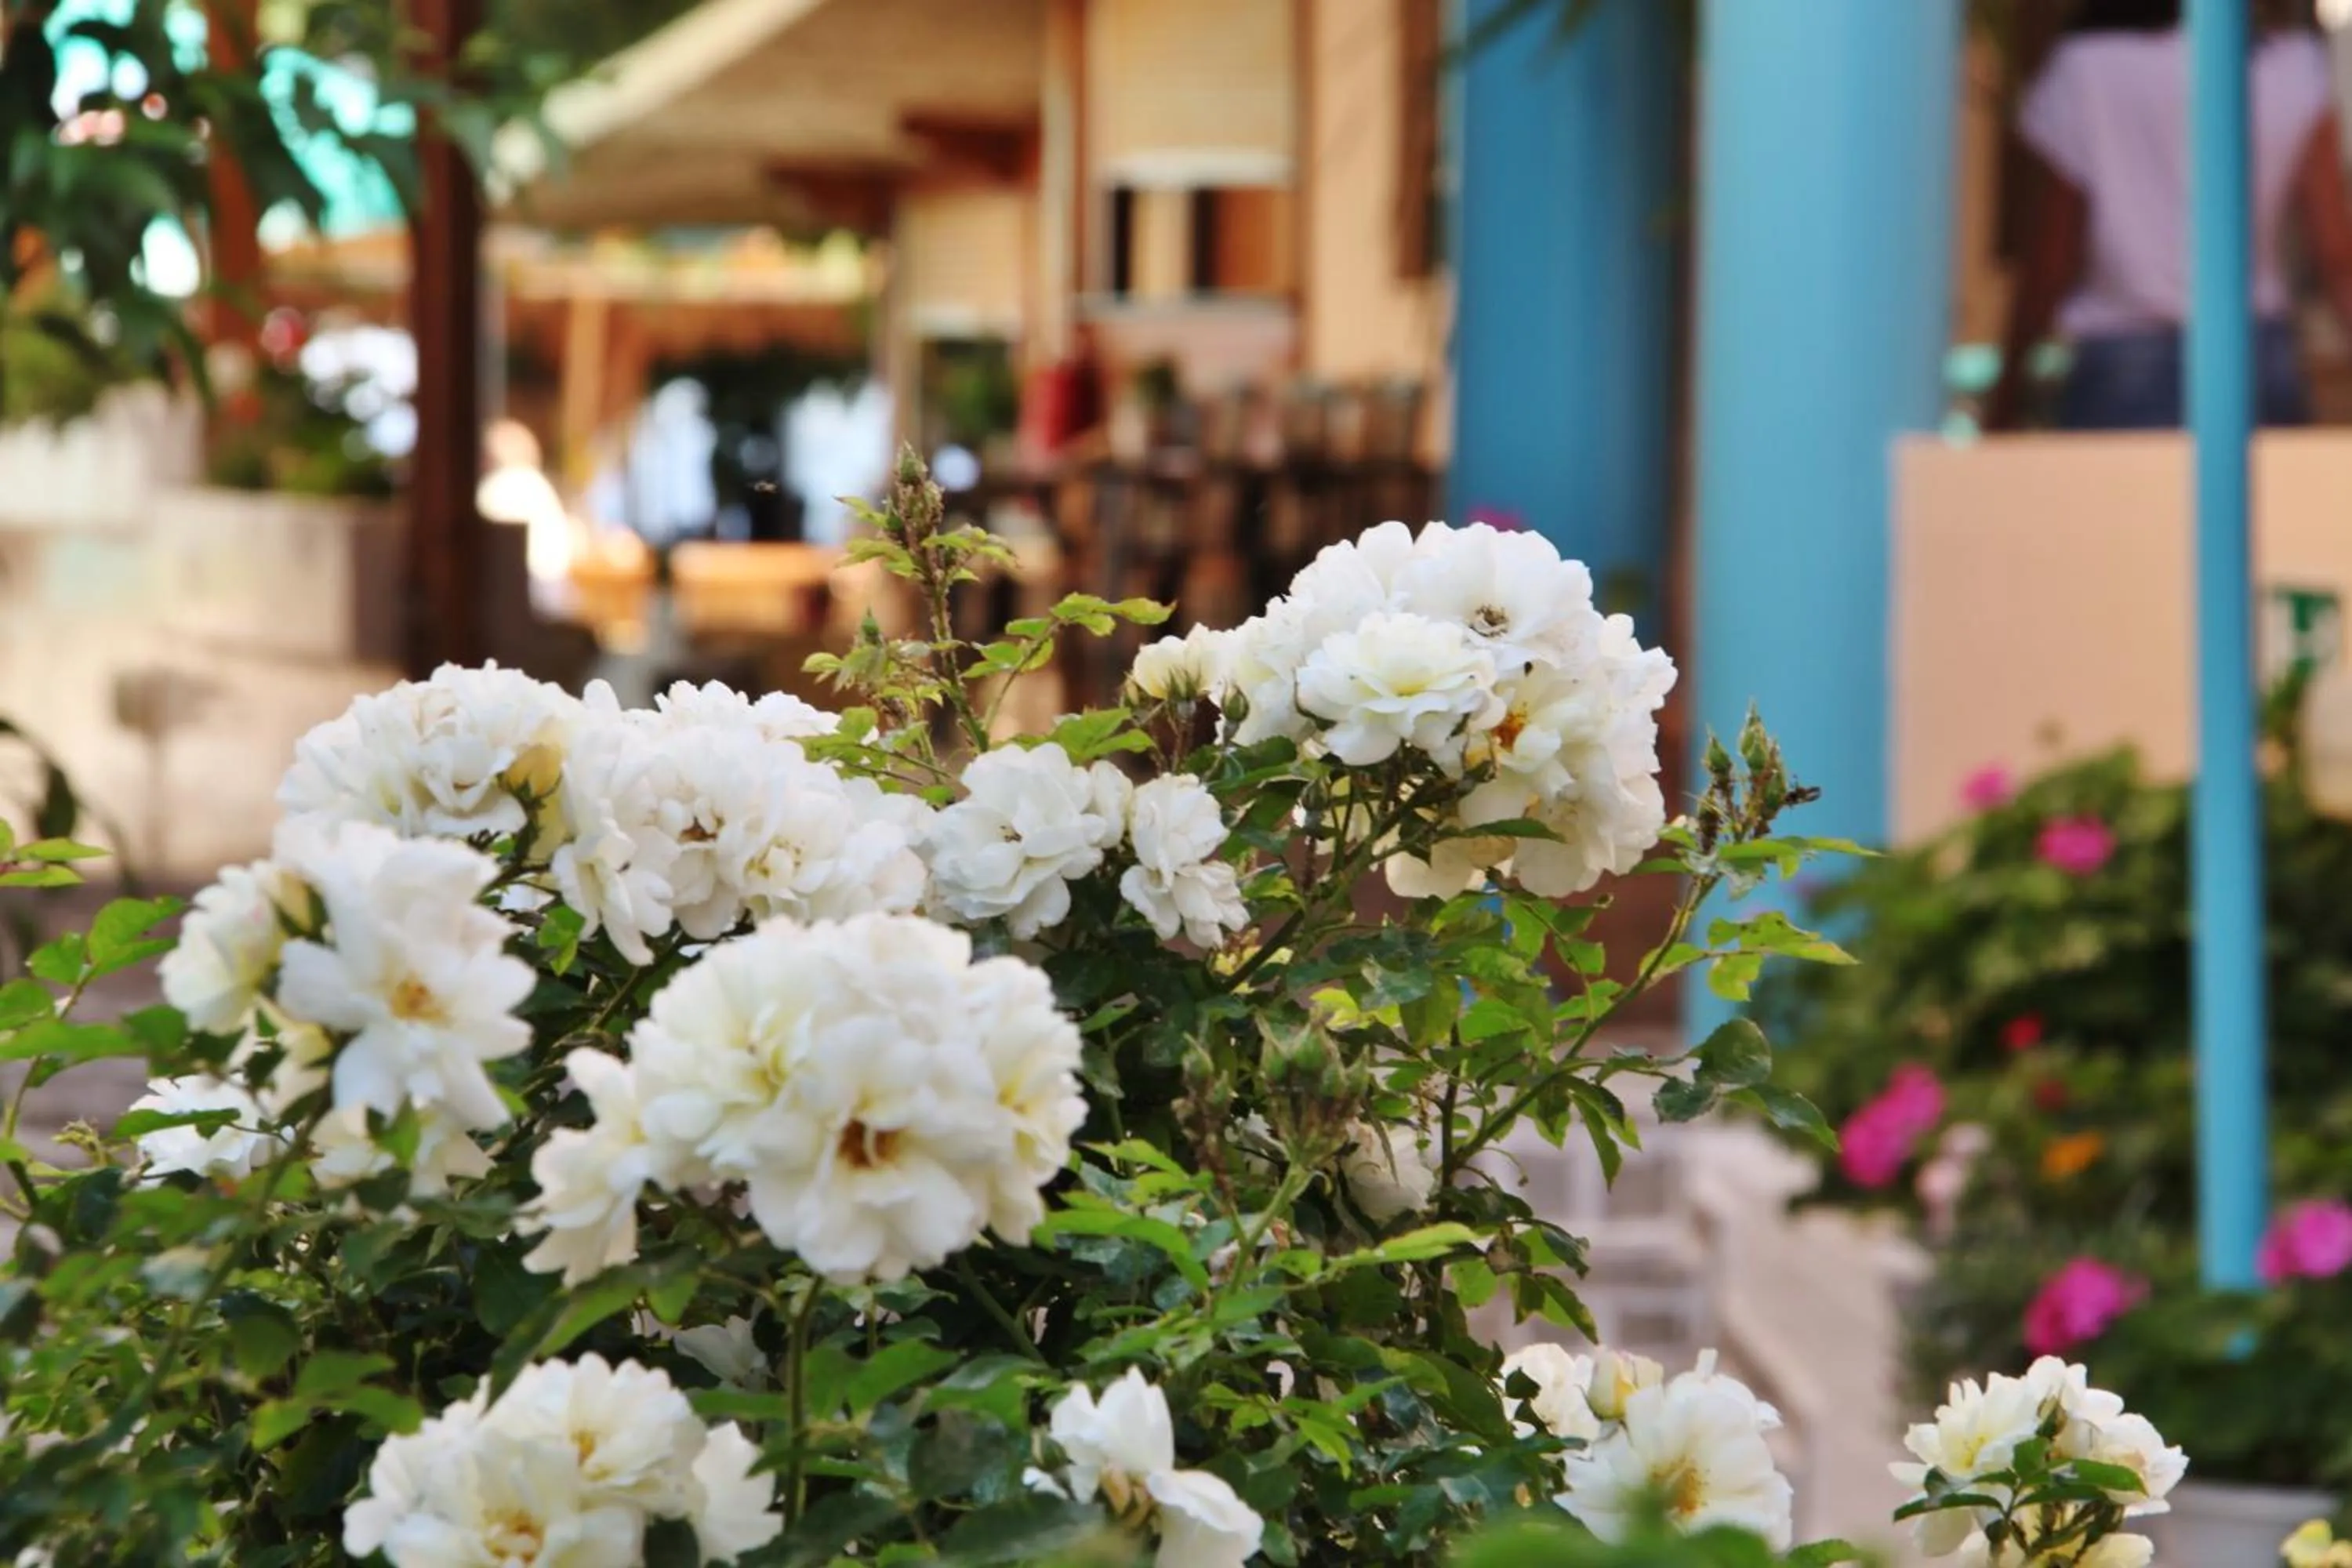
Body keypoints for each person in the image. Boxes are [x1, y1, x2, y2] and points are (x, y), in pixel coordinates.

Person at [1985, 0, 2352, 431]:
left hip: (2121, 358)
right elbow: (2335, 256)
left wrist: (2006, 395)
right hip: (2255, 355)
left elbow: (2051, 259)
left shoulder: (2089, 69)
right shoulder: (2293, 72)